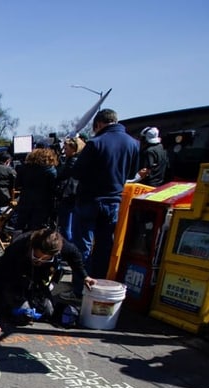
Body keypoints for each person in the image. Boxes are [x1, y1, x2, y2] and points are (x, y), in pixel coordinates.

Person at [69, 108, 139, 299]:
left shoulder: (96, 142)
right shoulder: (133, 144)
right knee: (104, 246)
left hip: (89, 199)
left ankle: (79, 287)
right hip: (114, 200)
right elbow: (132, 174)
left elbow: (77, 172)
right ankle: (97, 287)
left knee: (82, 245)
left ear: (98, 124)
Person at [0, 228, 96, 341]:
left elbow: (74, 256)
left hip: (36, 280)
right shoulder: (17, 249)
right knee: (23, 315)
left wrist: (85, 277)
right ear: (32, 247)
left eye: (46, 259)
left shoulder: (62, 247)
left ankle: (29, 299)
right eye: (36, 257)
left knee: (48, 311)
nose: (40, 261)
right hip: (13, 280)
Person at [13, 147, 60, 232]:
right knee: (38, 229)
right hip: (43, 203)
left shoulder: (23, 168)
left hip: (25, 201)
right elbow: (54, 188)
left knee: (21, 227)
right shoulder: (50, 170)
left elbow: (17, 184)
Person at [56, 136, 85, 243]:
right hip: (73, 196)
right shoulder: (75, 160)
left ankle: (67, 248)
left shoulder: (73, 162)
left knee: (67, 227)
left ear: (74, 149)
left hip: (69, 196)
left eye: (66, 148)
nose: (64, 151)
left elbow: (61, 174)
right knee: (68, 226)